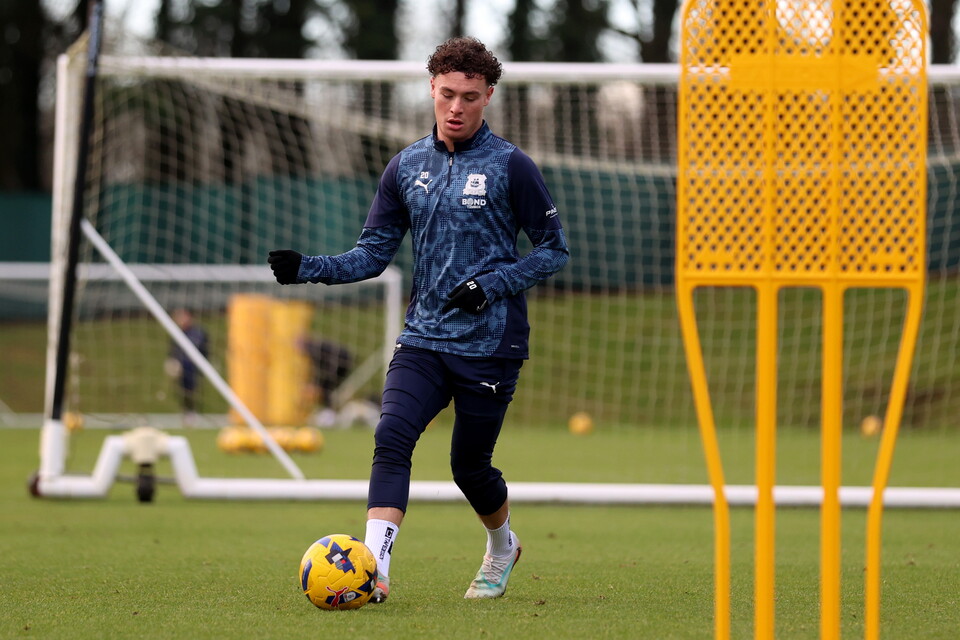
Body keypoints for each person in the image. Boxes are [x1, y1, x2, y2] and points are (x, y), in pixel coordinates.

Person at [268, 36, 569, 603]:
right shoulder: (406, 166)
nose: (457, 107)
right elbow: (371, 255)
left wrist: (493, 283)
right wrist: (308, 267)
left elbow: (554, 250)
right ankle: (373, 570)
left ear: (489, 97)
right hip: (423, 338)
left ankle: (503, 545)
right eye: (447, 94)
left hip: (490, 345)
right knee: (391, 435)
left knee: (469, 468)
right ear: (431, 88)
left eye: (470, 97)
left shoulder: (511, 166)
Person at [165, 308, 209, 426]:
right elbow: (173, 350)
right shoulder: (177, 333)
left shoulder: (198, 332)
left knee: (192, 390)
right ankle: (187, 413)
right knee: (183, 391)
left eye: (182, 317)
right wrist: (172, 362)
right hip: (181, 367)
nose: (180, 320)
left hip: (193, 366)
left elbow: (204, 349)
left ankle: (193, 413)